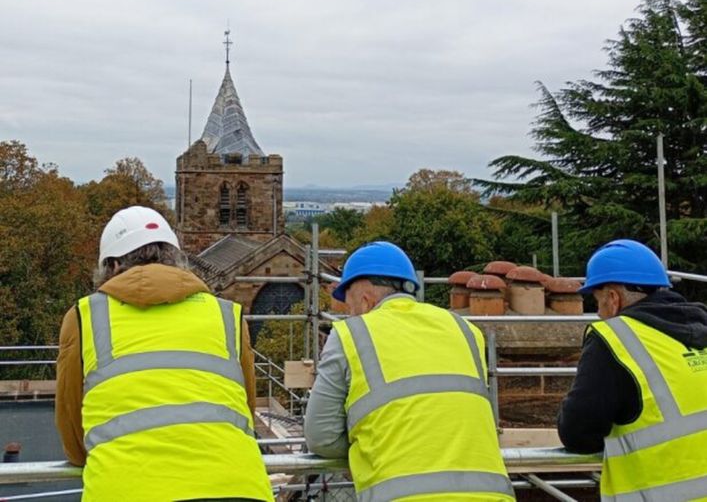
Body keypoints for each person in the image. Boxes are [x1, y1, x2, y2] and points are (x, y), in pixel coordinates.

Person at [55, 205, 273, 502]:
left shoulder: (84, 318)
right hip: (240, 488)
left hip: (126, 490)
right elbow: (244, 410)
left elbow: (72, 430)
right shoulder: (227, 316)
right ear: (177, 260)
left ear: (114, 266)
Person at [304, 241, 515, 501]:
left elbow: (321, 438)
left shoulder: (351, 335)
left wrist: (371, 441)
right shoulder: (465, 331)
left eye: (350, 308)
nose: (350, 315)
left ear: (365, 300)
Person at [558, 238, 707, 500]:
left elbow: (578, 432)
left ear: (613, 298)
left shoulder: (615, 339)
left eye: (597, 303)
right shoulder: (701, 328)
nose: (599, 314)